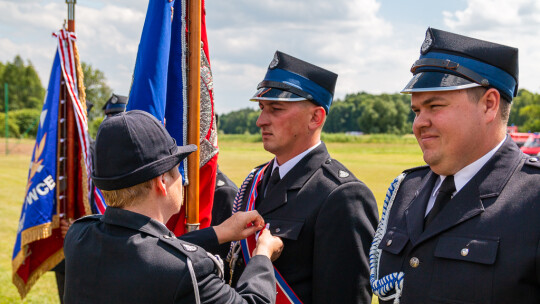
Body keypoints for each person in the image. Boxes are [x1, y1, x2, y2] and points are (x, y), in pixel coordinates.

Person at [370, 28, 540, 304]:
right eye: (416, 111)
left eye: (435, 106)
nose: (419, 124)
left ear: (489, 105)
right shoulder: (407, 188)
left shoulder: (533, 197)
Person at [63, 110, 283, 303]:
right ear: (162, 182)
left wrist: (220, 232)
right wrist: (262, 255)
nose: (183, 179)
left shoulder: (79, 234)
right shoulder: (188, 270)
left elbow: (146, 250)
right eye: (178, 169)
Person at [227, 51, 379, 304]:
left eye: (276, 109)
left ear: (315, 117)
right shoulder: (256, 179)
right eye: (262, 108)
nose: (260, 121)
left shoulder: (342, 195)